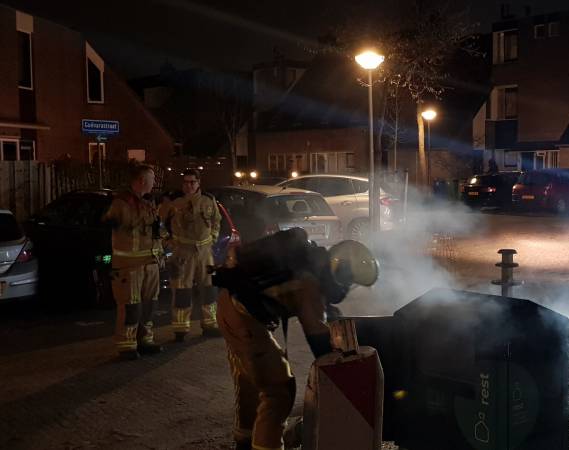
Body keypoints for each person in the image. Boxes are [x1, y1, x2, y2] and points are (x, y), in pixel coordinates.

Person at [213, 229, 377, 450]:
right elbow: (316, 338)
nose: (347, 288)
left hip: (229, 305)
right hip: (241, 317)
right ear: (342, 272)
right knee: (279, 389)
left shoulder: (311, 264)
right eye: (350, 281)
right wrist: (343, 375)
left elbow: (311, 304)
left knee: (252, 378)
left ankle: (245, 438)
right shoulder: (311, 283)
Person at [102, 164, 164, 360]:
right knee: (130, 306)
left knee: (149, 304)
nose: (155, 183)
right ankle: (127, 345)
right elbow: (111, 223)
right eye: (152, 179)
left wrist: (160, 254)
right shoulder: (122, 203)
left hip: (150, 263)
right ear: (142, 181)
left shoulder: (149, 202)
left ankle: (145, 340)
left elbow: (154, 233)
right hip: (129, 266)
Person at [160, 169, 223, 342]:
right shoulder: (174, 203)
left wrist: (213, 237)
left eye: (192, 182)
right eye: (186, 182)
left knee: (209, 289)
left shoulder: (208, 201)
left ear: (198, 183)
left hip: (204, 252)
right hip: (183, 252)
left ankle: (210, 324)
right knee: (181, 290)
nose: (189, 186)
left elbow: (217, 221)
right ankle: (181, 328)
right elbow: (160, 225)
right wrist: (169, 242)